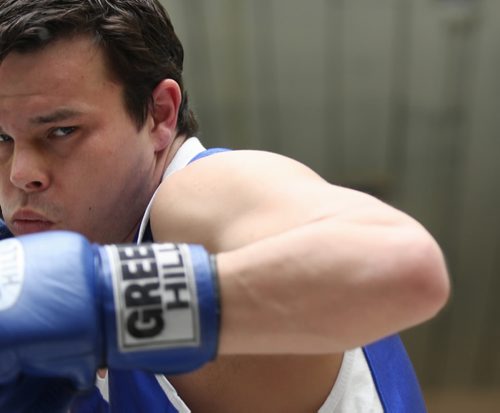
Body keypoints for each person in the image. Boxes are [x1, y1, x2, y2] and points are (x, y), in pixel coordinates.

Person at [0, 1, 450, 412]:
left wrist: (111, 307)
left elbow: (403, 265)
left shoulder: (198, 193)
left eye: (61, 131)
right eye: (0, 139)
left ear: (159, 114)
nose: (21, 172)